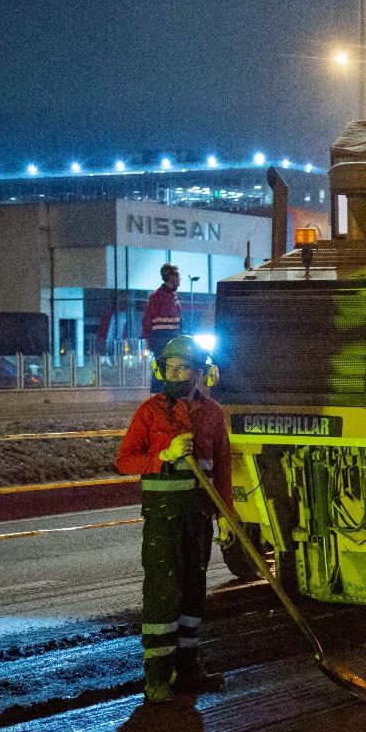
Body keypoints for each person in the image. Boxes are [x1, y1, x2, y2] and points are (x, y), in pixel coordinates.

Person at [116, 335, 233, 703]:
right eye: (170, 368)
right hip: (163, 520)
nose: (176, 374)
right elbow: (125, 461)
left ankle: (188, 669)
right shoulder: (150, 412)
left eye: (184, 368)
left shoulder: (212, 413)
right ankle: (157, 677)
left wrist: (226, 517)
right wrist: (163, 455)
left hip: (198, 518)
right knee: (163, 595)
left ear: (200, 373)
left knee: (194, 595)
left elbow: (223, 469)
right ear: (161, 370)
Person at [142, 263, 182, 391]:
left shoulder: (173, 296)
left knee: (171, 369)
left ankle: (168, 394)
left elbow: (178, 320)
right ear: (171, 277)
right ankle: (158, 394)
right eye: (178, 275)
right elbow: (146, 320)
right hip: (161, 339)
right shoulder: (157, 297)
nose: (180, 279)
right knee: (162, 369)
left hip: (172, 338)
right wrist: (149, 340)